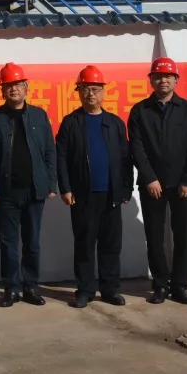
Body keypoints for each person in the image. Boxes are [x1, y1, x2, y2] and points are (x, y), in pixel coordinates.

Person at [128, 57, 187, 306]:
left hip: (183, 186)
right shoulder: (140, 111)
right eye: (158, 77)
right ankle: (160, 285)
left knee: (182, 237)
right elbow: (137, 147)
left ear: (176, 80)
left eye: (168, 76)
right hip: (153, 186)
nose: (163, 81)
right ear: (151, 80)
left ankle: (180, 286)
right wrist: (149, 178)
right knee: (155, 237)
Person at [56, 66, 133, 309]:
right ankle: (85, 290)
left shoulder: (114, 123)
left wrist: (126, 188)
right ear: (78, 92)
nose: (91, 94)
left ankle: (111, 290)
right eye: (86, 89)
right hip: (83, 195)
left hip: (111, 195)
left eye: (95, 89)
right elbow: (61, 157)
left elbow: (125, 158)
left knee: (111, 245)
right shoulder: (71, 122)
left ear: (103, 92)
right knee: (85, 245)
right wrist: (66, 188)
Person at [0, 63, 57, 308]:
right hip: (6, 192)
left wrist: (51, 182)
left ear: (26, 87)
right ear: (2, 90)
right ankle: (11, 288)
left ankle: (30, 287)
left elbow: (49, 151)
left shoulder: (39, 115)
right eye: (8, 85)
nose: (13, 89)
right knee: (8, 244)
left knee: (32, 243)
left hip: (34, 189)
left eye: (17, 84)